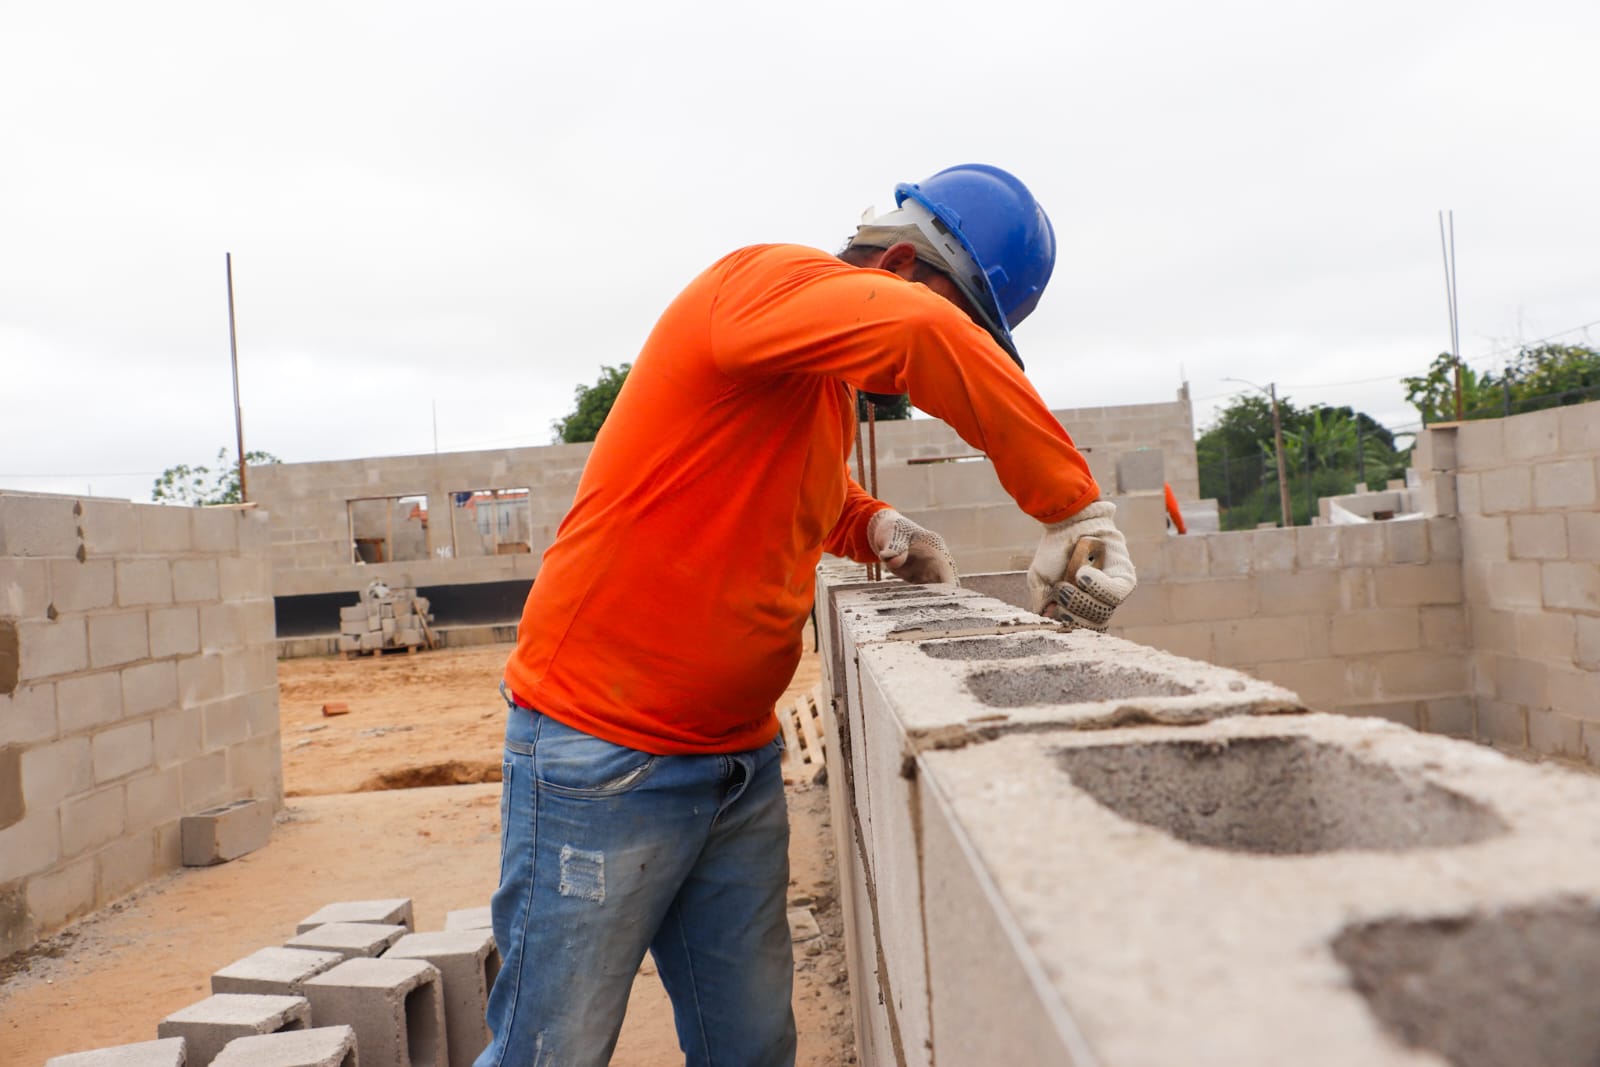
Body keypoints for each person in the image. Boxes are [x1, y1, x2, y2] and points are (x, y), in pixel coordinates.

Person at [477, 164, 1137, 1067]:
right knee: (547, 1053)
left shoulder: (814, 380)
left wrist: (883, 529)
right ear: (899, 264)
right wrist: (1073, 507)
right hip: (603, 753)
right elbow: (918, 329)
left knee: (752, 1049)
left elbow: (802, 485)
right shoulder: (759, 281)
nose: (953, 358)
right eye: (967, 325)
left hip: (734, 766)